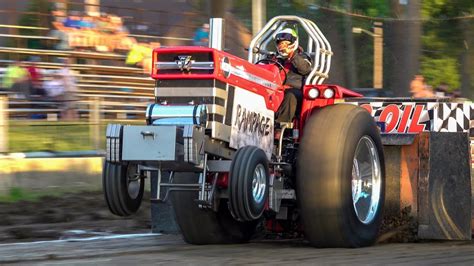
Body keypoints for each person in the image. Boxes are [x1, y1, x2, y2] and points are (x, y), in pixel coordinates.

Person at [273, 28, 312, 123]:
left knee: (291, 95)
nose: (282, 46)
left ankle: (280, 125)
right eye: (280, 43)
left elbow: (305, 69)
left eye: (285, 43)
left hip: (294, 90)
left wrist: (292, 57)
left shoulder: (302, 57)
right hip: (274, 87)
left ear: (292, 43)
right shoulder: (274, 58)